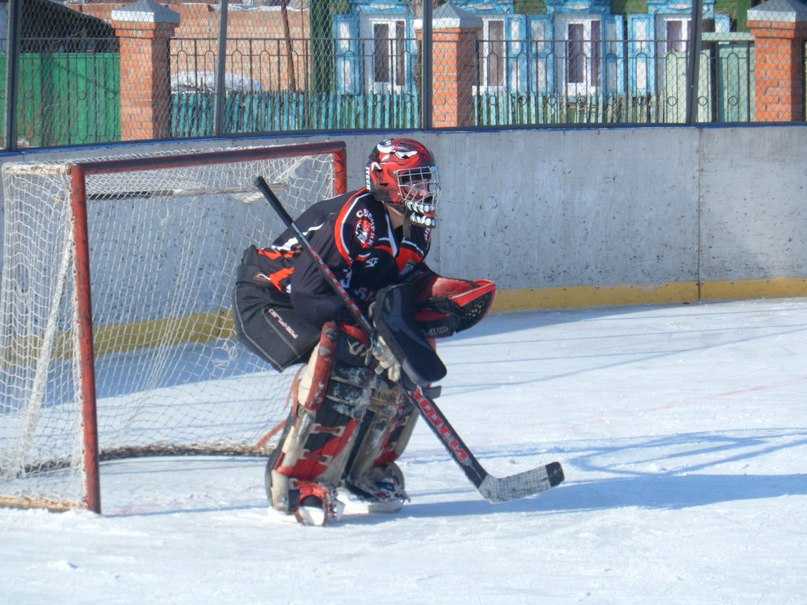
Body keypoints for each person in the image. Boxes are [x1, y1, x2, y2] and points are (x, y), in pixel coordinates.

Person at [233, 138, 495, 525]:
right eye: (412, 181)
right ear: (385, 182)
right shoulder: (361, 218)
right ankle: (296, 481)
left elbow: (396, 282)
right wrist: (367, 328)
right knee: (344, 365)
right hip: (271, 299)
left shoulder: (416, 226)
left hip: (322, 301)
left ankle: (365, 472)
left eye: (425, 180)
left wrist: (437, 294)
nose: (423, 191)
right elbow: (308, 294)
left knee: (395, 372)